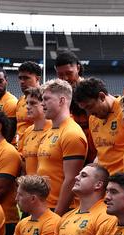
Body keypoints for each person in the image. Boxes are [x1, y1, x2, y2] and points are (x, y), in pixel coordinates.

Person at [37, 79, 88, 215]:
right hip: (44, 207)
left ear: (61, 101)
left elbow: (71, 179)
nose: (42, 104)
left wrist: (57, 215)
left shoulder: (71, 133)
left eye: (46, 99)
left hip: (61, 209)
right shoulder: (48, 132)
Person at [73, 77, 124, 174]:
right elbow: (99, 153)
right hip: (104, 183)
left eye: (90, 106)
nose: (89, 113)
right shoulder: (92, 119)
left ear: (102, 96)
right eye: (84, 109)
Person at [55, 51, 97, 163]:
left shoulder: (91, 90)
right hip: (70, 146)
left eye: (69, 73)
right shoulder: (60, 93)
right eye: (60, 75)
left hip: (93, 147)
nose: (65, 78)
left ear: (78, 68)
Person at [18, 86, 52, 176]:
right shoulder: (27, 131)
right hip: (31, 187)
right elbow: (24, 163)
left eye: (33, 103)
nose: (28, 107)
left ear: (44, 104)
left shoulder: (54, 129)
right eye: (27, 103)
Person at [15, 61, 42, 143]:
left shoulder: (45, 99)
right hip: (21, 149)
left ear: (37, 78)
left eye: (26, 78)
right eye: (20, 78)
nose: (22, 81)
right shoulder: (20, 100)